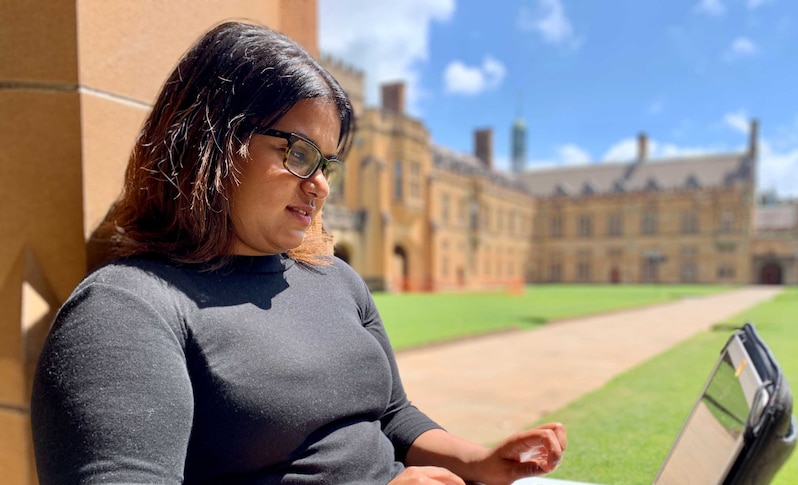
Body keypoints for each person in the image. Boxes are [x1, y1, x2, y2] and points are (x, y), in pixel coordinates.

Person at [30, 21, 566, 485]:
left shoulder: (335, 278)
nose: (321, 186)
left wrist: (481, 461)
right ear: (213, 140)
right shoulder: (126, 310)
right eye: (300, 153)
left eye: (326, 164)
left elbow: (393, 414)